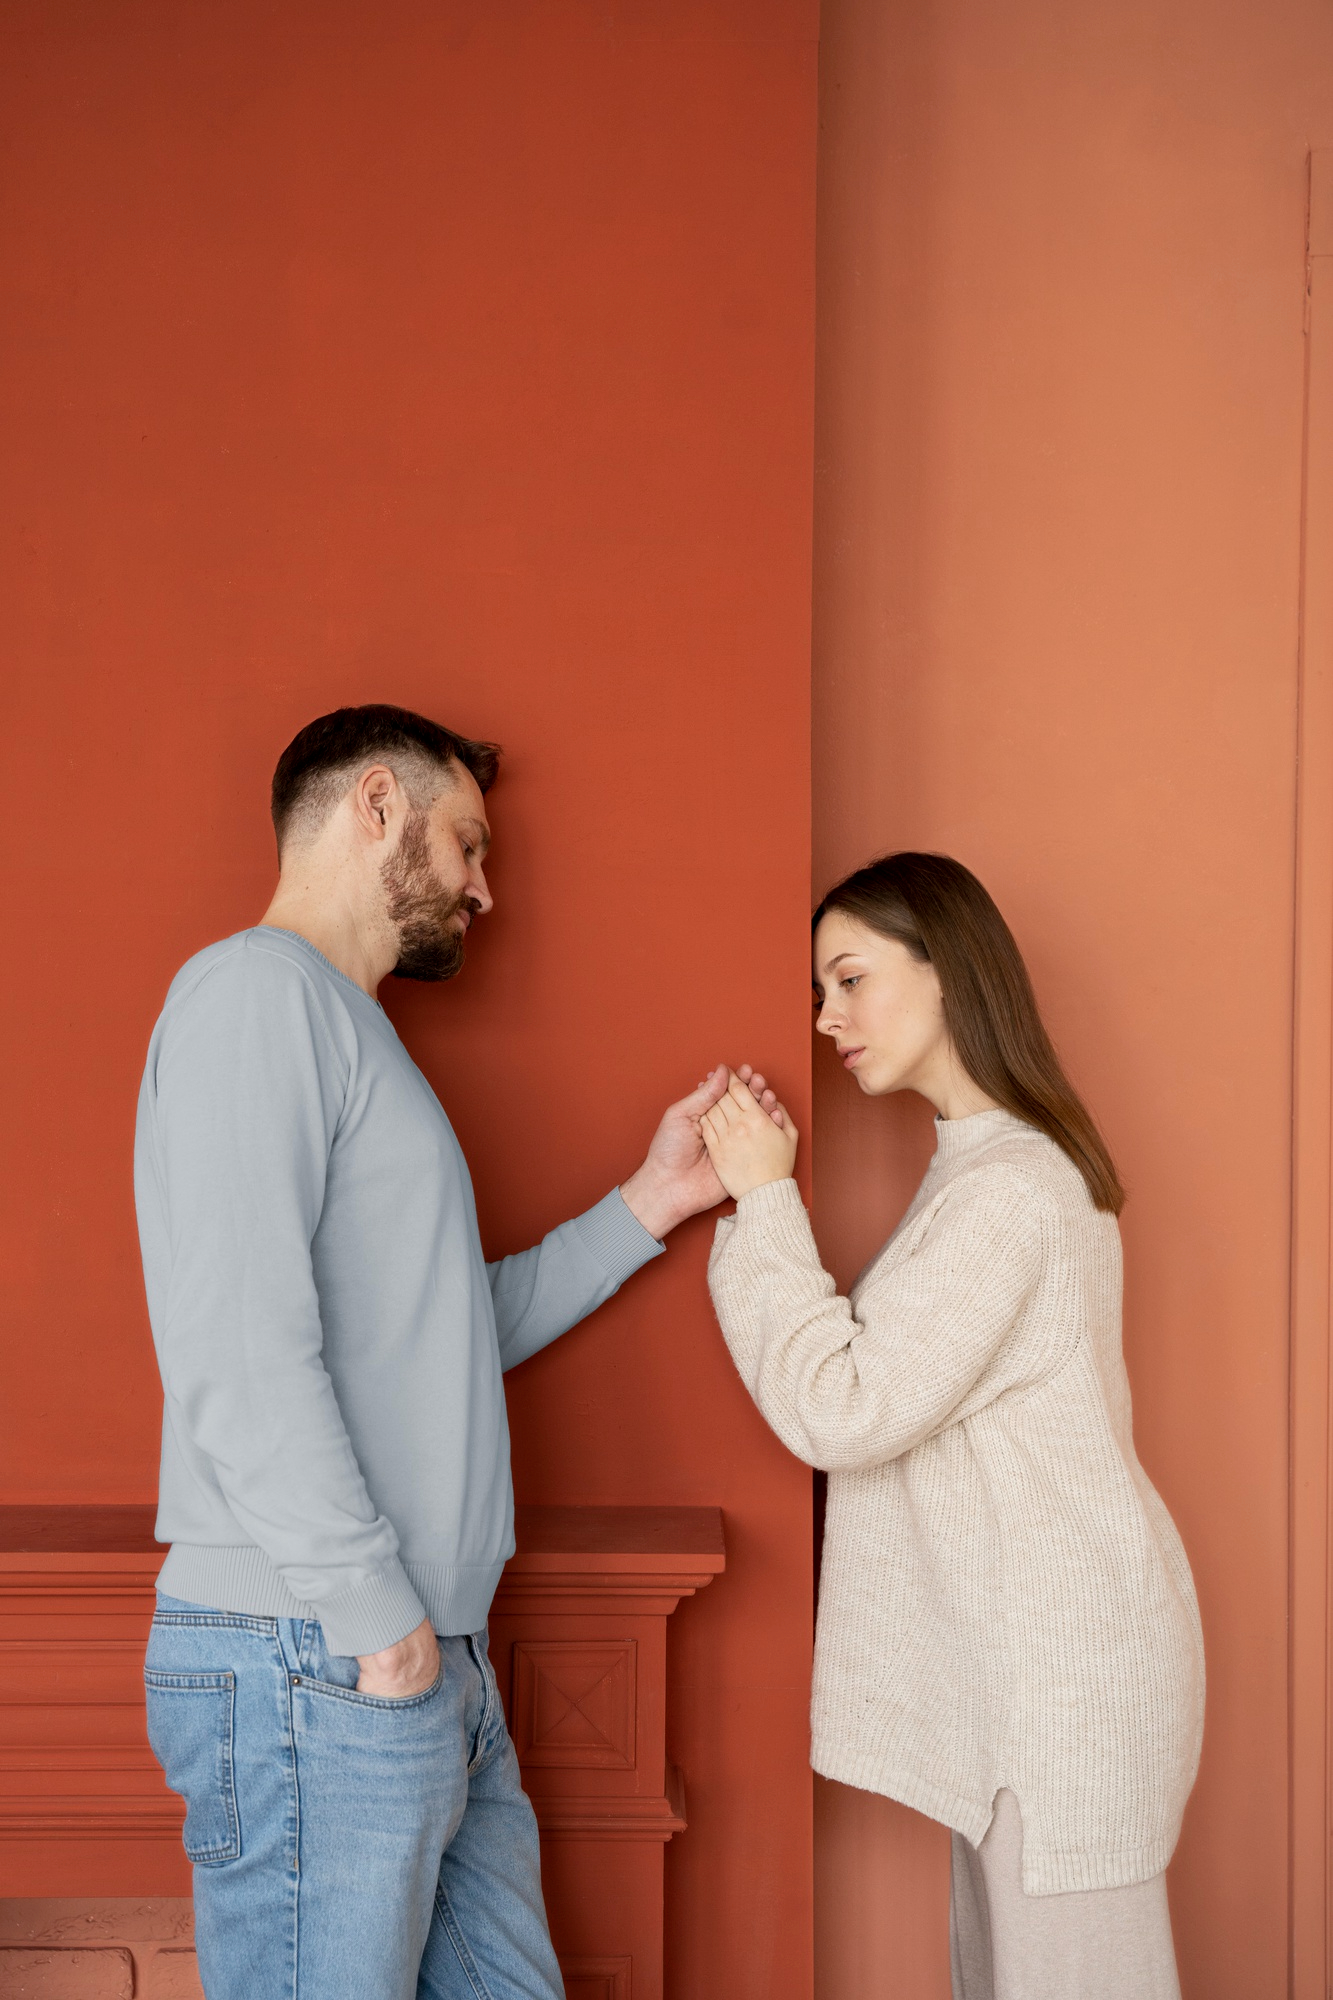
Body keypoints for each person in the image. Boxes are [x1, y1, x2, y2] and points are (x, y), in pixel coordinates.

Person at [134, 703, 760, 2000]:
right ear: (377, 805)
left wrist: (655, 1199)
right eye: (470, 844)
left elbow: (446, 1331)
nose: (484, 888)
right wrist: (378, 1624)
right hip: (323, 1651)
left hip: (413, 1663)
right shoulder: (253, 995)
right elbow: (236, 1349)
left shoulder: (352, 1034)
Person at [699, 851, 1204, 2000]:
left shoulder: (1014, 1193)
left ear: (946, 971)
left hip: (1064, 1694)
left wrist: (765, 1196)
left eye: (849, 978)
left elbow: (843, 1404)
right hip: (1028, 1681)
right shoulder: (981, 1170)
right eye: (819, 991)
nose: (827, 1017)